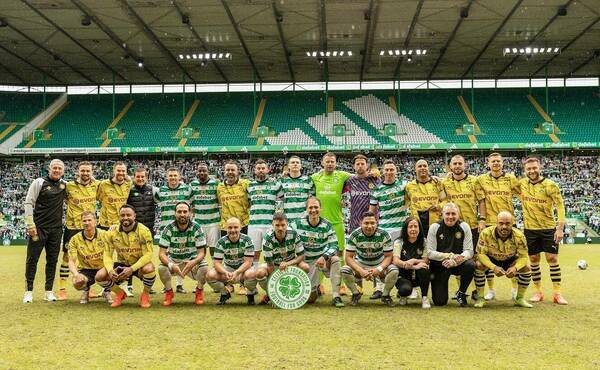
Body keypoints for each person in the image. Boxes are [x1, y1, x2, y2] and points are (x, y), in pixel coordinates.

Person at [519, 156, 568, 305]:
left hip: (548, 228)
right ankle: (538, 292)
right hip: (530, 229)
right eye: (529, 168)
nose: (532, 171)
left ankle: (557, 294)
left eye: (534, 168)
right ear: (525, 170)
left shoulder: (550, 185)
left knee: (552, 259)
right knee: (533, 260)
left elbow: (560, 206)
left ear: (539, 168)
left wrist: (559, 229)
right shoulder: (521, 184)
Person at [476, 152, 520, 300]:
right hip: (490, 223)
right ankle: (491, 290)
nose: (495, 163)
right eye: (493, 161)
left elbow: (523, 193)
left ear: (502, 163)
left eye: (498, 161)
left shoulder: (511, 179)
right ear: (488, 164)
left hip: (508, 223)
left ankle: (515, 289)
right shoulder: (481, 179)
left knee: (513, 256)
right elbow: (479, 199)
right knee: (488, 258)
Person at [441, 154, 486, 300]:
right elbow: (441, 198)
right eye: (455, 164)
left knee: (475, 260)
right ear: (450, 166)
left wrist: (482, 219)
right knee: (457, 258)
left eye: (460, 163)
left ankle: (477, 291)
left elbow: (481, 201)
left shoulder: (474, 181)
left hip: (472, 226)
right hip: (454, 227)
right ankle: (462, 290)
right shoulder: (445, 182)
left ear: (464, 165)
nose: (457, 166)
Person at [23, 159, 67, 303]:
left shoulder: (64, 185)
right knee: (32, 259)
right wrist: (30, 224)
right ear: (49, 169)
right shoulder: (39, 182)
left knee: (52, 261)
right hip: (38, 229)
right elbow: (29, 202)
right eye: (54, 168)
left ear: (63, 171)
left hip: (56, 230)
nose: (57, 170)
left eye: (60, 168)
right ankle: (28, 291)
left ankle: (48, 291)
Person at [95, 205, 156, 308]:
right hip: (122, 265)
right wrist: (110, 270)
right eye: (122, 215)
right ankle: (119, 293)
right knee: (100, 276)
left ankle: (145, 294)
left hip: (138, 264)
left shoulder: (144, 231)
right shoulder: (112, 232)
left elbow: (148, 254)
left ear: (134, 216)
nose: (125, 217)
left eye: (128, 215)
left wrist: (132, 269)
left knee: (149, 268)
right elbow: (107, 254)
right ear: (119, 216)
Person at [58, 161, 100, 300]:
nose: (85, 173)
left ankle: (88, 289)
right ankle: (62, 289)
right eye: (83, 171)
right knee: (66, 258)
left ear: (91, 172)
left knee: (90, 259)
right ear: (78, 171)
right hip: (72, 227)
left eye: (88, 171)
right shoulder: (68, 186)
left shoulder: (96, 185)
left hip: (89, 227)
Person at [473, 211, 532, 308]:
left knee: (526, 267)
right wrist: (493, 267)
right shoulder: (485, 233)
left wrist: (515, 268)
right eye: (501, 223)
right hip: (491, 258)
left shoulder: (520, 236)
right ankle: (480, 298)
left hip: (510, 259)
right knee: (478, 265)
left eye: (507, 223)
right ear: (496, 223)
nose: (504, 226)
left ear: (512, 223)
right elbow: (481, 254)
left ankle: (520, 298)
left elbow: (524, 257)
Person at [292, 197, 344, 307]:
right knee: (310, 299)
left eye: (316, 207)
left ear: (321, 209)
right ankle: (314, 288)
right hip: (304, 262)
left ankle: (336, 296)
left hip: (320, 261)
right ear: (306, 209)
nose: (313, 210)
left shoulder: (327, 225)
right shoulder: (296, 224)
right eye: (310, 207)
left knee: (335, 259)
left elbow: (334, 245)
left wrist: (324, 256)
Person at [341, 211, 398, 306]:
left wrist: (379, 269)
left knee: (394, 271)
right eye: (366, 223)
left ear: (377, 223)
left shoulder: (384, 234)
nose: (369, 226)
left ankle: (385, 295)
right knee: (344, 270)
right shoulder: (354, 235)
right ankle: (356, 293)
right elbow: (348, 258)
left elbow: (388, 257)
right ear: (360, 223)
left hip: (379, 263)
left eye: (372, 223)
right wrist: (361, 271)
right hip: (361, 264)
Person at [158, 202, 208, 306]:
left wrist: (193, 262)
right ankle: (169, 292)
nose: (182, 214)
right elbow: (161, 254)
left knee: (204, 267)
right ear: (175, 213)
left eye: (185, 211)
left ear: (190, 213)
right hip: (174, 262)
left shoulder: (196, 227)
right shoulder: (168, 228)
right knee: (161, 268)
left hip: (190, 262)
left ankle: (199, 291)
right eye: (179, 212)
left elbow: (202, 253)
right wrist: (171, 265)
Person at [425, 202, 475, 307]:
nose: (450, 217)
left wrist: (455, 261)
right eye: (447, 214)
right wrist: (450, 256)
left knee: (470, 265)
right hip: (440, 265)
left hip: (457, 263)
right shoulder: (434, 227)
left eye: (453, 214)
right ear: (442, 214)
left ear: (458, 215)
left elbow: (469, 251)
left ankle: (461, 293)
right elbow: (430, 252)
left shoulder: (464, 226)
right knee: (440, 302)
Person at [255, 212, 309, 305]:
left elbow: (301, 256)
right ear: (272, 225)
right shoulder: (267, 239)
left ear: (287, 224)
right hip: (275, 266)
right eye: (277, 225)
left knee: (305, 267)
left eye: (283, 225)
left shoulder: (293, 234)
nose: (280, 228)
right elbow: (270, 265)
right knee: (260, 273)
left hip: (291, 264)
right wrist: (274, 291)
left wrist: (287, 263)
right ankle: (270, 294)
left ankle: (296, 294)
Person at [155, 167, 192, 294]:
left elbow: (194, 204)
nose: (173, 178)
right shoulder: (160, 191)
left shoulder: (187, 189)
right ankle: (168, 285)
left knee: (181, 253)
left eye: (175, 175)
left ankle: (180, 284)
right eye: (170, 176)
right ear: (166, 177)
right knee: (167, 256)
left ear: (179, 177)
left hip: (182, 228)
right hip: (166, 229)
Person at [216, 160, 251, 295]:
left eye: (233, 170)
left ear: (238, 172)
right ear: (224, 172)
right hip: (225, 225)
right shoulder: (219, 187)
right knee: (227, 255)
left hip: (243, 224)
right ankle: (229, 283)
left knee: (243, 255)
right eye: (228, 170)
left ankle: (243, 284)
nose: (230, 172)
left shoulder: (245, 184)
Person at [206, 217, 257, 305]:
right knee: (210, 275)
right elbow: (216, 263)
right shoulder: (221, 242)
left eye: (236, 227)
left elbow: (248, 262)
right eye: (230, 227)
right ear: (226, 228)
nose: (233, 230)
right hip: (228, 271)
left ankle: (250, 293)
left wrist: (237, 272)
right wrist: (225, 272)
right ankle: (224, 293)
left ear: (240, 227)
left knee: (251, 274)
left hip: (243, 271)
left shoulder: (247, 240)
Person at [66, 211, 112, 304]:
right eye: (84, 221)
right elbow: (71, 261)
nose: (87, 223)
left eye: (89, 220)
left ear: (96, 222)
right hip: (86, 269)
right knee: (76, 282)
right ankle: (86, 290)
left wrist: (116, 228)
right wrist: (76, 275)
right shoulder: (75, 239)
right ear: (81, 223)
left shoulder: (105, 235)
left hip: (103, 268)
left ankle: (107, 291)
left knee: (108, 273)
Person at [125, 167, 157, 295]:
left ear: (146, 177)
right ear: (134, 177)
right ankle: (128, 285)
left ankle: (147, 286)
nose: (140, 179)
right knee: (129, 256)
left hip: (148, 230)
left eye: (142, 177)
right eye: (138, 176)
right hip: (133, 229)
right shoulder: (129, 191)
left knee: (147, 257)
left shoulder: (152, 190)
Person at [248, 159, 282, 263]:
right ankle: (254, 274)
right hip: (254, 224)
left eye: (263, 168)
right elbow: (249, 203)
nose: (261, 170)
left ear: (268, 170)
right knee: (254, 253)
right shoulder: (250, 186)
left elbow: (280, 202)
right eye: (258, 168)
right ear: (255, 170)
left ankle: (273, 276)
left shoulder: (275, 184)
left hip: (270, 224)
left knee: (273, 252)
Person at [393, 216, 431, 309]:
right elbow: (396, 261)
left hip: (418, 276)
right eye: (410, 227)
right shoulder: (399, 242)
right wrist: (414, 267)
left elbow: (426, 260)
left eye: (415, 226)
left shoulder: (424, 242)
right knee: (405, 290)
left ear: (419, 228)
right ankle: (403, 295)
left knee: (424, 269)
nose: (413, 229)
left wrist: (414, 260)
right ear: (405, 229)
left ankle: (425, 298)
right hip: (403, 275)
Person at [405, 159, 446, 235]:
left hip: (435, 224)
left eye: (425, 166)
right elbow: (405, 204)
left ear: (428, 168)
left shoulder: (437, 183)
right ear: (415, 169)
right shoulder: (409, 186)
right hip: (417, 226)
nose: (422, 168)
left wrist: (439, 206)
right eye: (419, 166)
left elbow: (445, 200)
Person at [190, 162, 221, 256]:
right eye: (200, 170)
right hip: (199, 223)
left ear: (208, 171)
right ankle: (202, 268)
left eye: (204, 170)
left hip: (213, 222)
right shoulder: (192, 185)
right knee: (200, 249)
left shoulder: (216, 184)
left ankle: (215, 268)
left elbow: (220, 200)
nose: (202, 172)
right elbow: (190, 202)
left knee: (213, 248)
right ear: (197, 172)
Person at [97, 161, 132, 230]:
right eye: (118, 170)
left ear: (126, 172)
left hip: (121, 223)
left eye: (123, 171)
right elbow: (98, 198)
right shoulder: (104, 184)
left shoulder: (128, 184)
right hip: (106, 223)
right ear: (113, 171)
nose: (121, 173)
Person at [280, 156, 314, 225]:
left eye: (297, 162)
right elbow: (280, 197)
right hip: (287, 220)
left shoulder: (308, 180)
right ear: (288, 166)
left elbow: (313, 198)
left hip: (304, 220)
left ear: (301, 166)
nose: (295, 164)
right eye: (292, 162)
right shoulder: (283, 181)